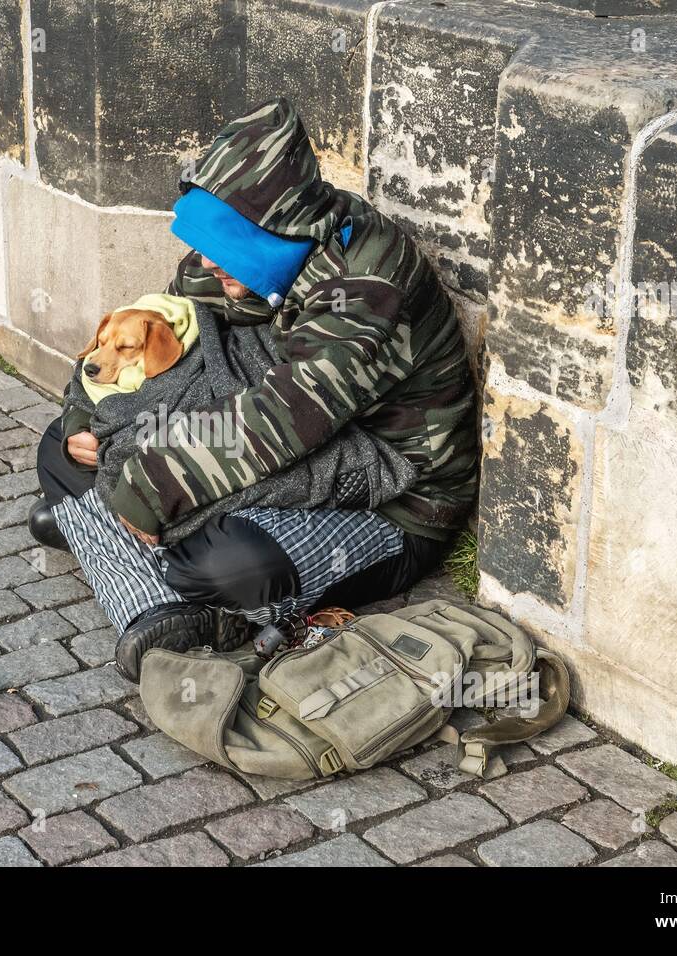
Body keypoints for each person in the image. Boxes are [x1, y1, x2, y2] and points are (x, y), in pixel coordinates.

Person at [30, 98, 479, 680]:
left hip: (394, 499)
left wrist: (150, 484)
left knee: (229, 563)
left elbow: (278, 420)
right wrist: (79, 415)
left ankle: (107, 547)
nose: (210, 265)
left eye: (227, 251)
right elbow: (156, 322)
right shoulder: (241, 255)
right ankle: (139, 567)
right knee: (61, 447)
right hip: (283, 441)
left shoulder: (368, 287)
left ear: (275, 230)